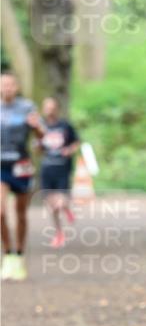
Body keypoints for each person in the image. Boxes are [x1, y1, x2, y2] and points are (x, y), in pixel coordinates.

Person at [0, 70, 45, 281]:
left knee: (20, 213)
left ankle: (19, 254)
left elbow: (42, 136)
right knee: (0, 211)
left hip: (21, 166)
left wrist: (36, 127)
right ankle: (8, 253)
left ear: (16, 87)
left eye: (10, 84)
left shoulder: (27, 107)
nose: (7, 88)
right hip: (1, 166)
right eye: (3, 85)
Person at [38, 96, 80, 248]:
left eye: (52, 108)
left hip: (62, 169)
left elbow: (76, 142)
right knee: (52, 205)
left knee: (59, 202)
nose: (49, 111)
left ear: (57, 109)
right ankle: (59, 233)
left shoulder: (65, 125)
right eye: (47, 108)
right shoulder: (40, 127)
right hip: (47, 169)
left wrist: (69, 150)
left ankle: (65, 207)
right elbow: (38, 148)